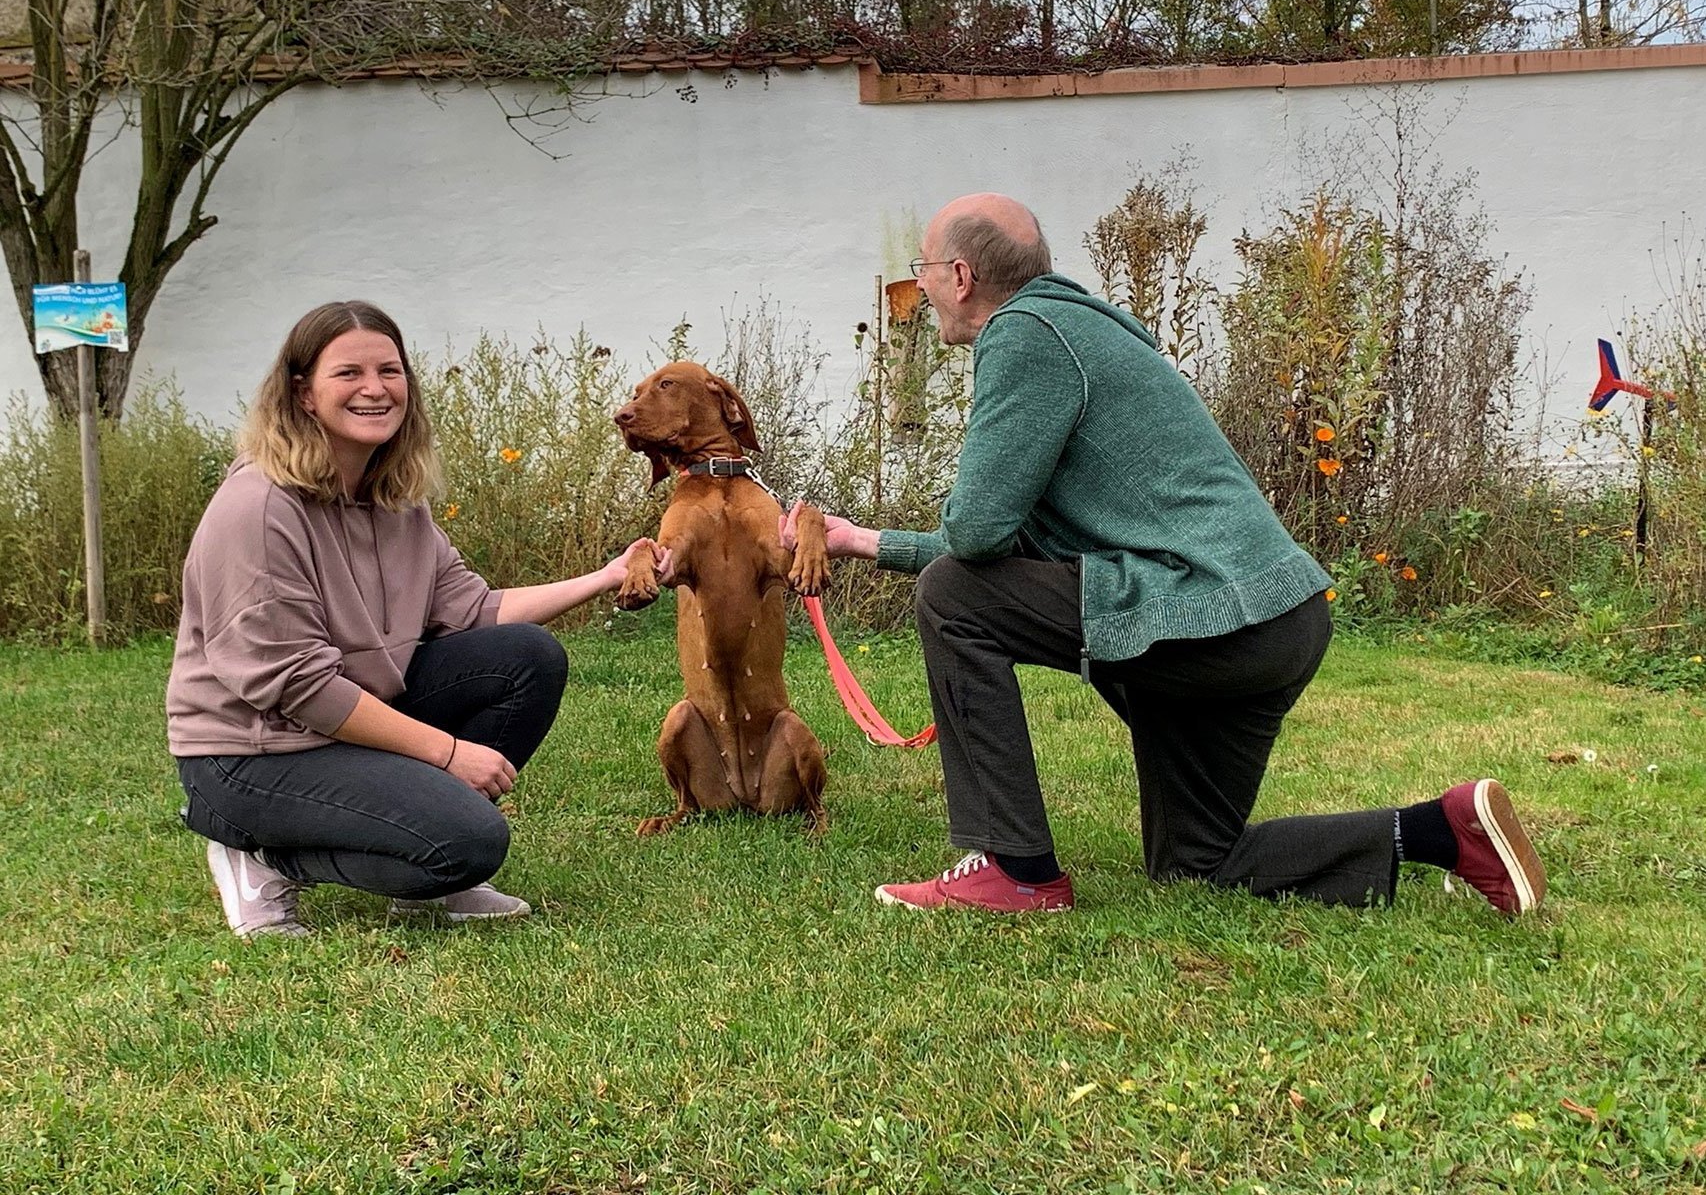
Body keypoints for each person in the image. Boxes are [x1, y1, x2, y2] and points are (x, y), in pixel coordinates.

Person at [785, 193, 1546, 917]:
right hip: (1274, 622)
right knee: (1197, 860)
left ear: (960, 276)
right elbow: (1010, 536)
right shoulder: (1087, 328)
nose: (920, 290)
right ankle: (1439, 831)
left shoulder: (1023, 333)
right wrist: (863, 541)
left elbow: (977, 536)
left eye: (921, 269)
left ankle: (1013, 871)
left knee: (953, 597)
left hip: (1206, 615)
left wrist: (894, 547)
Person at [168, 300, 667, 938]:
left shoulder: (394, 499)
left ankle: (413, 847)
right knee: (466, 843)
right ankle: (261, 854)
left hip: (341, 723)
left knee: (527, 658)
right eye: (348, 373)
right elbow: (297, 685)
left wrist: (606, 576)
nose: (375, 389)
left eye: (390, 370)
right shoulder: (259, 508)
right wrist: (448, 754)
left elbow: (473, 609)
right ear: (304, 394)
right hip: (248, 755)